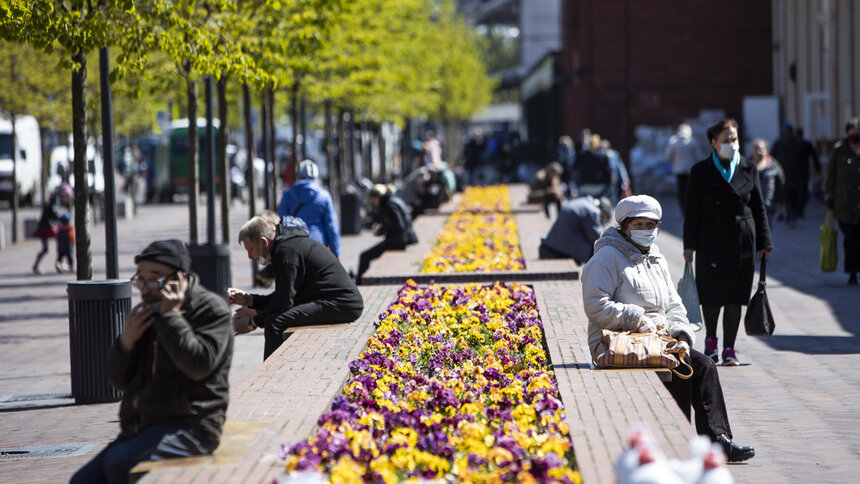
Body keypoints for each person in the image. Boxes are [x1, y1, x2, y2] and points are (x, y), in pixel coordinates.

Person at [581, 195, 755, 463]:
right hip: (616, 339)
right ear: (624, 226)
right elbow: (595, 306)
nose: (645, 230)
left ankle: (717, 440)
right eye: (638, 224)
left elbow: (674, 305)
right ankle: (679, 442)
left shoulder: (656, 258)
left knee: (703, 364)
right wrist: (636, 319)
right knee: (674, 370)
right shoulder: (607, 256)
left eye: (650, 225)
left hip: (658, 338)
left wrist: (683, 335)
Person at [71, 240, 234, 483]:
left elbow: (199, 365)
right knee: (83, 480)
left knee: (119, 464)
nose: (146, 288)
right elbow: (118, 380)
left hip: (191, 426)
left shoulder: (210, 310)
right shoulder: (147, 312)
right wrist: (125, 343)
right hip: (143, 426)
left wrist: (171, 317)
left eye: (154, 279)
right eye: (141, 279)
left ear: (180, 278)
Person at [684, 119, 773, 366]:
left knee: (736, 296)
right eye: (726, 140)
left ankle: (730, 348)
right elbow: (691, 210)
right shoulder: (700, 171)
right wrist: (689, 245)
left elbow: (758, 207)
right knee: (712, 296)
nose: (731, 145)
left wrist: (765, 242)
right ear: (714, 143)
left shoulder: (748, 168)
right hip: (710, 240)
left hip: (742, 239)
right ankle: (711, 342)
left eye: (734, 139)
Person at [230, 216, 364, 360]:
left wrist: (252, 323)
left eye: (250, 249)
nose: (250, 256)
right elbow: (284, 296)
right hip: (335, 301)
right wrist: (249, 300)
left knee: (274, 322)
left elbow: (283, 303)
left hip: (341, 303)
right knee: (274, 319)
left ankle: (272, 374)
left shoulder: (286, 253)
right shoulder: (287, 246)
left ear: (263, 242)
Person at [276, 159, 341, 257]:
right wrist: (336, 252)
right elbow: (332, 225)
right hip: (319, 244)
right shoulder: (324, 195)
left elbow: (280, 221)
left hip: (294, 244)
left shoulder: (287, 195)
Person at [356, 184, 418, 284]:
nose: (374, 204)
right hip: (400, 238)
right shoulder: (392, 200)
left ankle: (359, 283)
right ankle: (359, 281)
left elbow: (399, 225)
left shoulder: (390, 204)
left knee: (364, 256)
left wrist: (385, 230)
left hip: (398, 241)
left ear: (377, 197)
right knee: (365, 256)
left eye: (373, 201)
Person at [825, 117, 860, 285]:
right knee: (850, 239)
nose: (855, 135)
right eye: (852, 132)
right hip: (845, 204)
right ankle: (852, 272)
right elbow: (831, 176)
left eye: (857, 133)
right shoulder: (839, 151)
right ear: (847, 133)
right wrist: (829, 196)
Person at [539, 196, 611, 264]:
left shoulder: (585, 202)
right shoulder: (593, 211)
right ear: (602, 210)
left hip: (556, 243)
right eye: (604, 217)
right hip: (562, 247)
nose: (602, 221)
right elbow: (597, 237)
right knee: (597, 252)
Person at [770, 123, 808, 228]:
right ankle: (791, 216)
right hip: (783, 175)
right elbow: (772, 157)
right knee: (787, 197)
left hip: (797, 175)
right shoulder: (778, 144)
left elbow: (804, 159)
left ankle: (793, 215)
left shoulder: (798, 143)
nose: (786, 133)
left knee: (796, 196)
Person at [665, 123, 703, 213]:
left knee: (681, 191)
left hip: (679, 170)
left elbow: (668, 156)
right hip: (690, 170)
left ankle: (683, 209)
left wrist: (674, 163)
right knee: (691, 190)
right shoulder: (693, 142)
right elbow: (699, 157)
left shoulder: (674, 142)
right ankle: (691, 208)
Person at [751, 138, 785, 227]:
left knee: (766, 230)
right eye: (756, 149)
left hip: (768, 206)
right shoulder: (747, 166)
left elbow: (781, 183)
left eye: (761, 149)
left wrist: (779, 201)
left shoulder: (773, 166)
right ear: (752, 151)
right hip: (751, 208)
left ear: (766, 151)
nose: (759, 152)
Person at [572, 134, 612, 198]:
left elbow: (575, 167)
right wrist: (609, 184)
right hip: (599, 186)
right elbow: (607, 172)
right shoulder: (603, 155)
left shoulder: (583, 155)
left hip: (585, 186)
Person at [31, 193, 61, 274]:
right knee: (58, 245)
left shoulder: (48, 206)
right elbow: (56, 216)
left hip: (44, 229)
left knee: (46, 249)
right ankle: (59, 262)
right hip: (47, 229)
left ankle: (36, 265)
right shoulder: (52, 206)